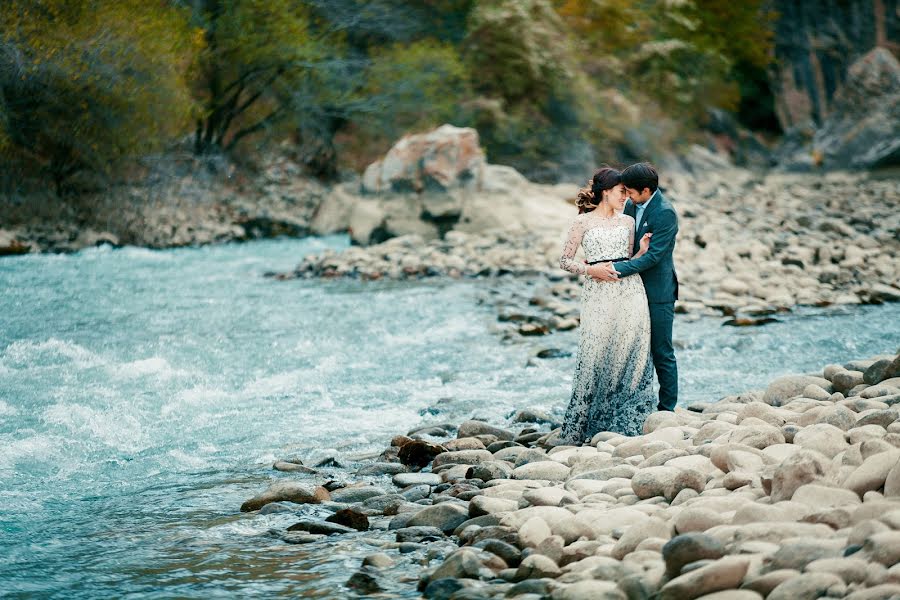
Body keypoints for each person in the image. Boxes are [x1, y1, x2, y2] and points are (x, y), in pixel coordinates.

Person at [557, 166, 656, 442]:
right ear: (605, 192)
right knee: (596, 353)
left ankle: (627, 425)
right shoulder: (583, 222)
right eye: (621, 192)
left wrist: (642, 252)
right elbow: (565, 261)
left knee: (631, 350)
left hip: (630, 290)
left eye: (626, 192)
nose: (625, 196)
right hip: (597, 294)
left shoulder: (628, 222)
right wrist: (592, 271)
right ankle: (589, 425)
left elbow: (628, 258)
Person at [591, 162, 679, 412]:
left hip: (658, 292)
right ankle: (634, 406)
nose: (626, 196)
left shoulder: (665, 213)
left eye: (630, 191)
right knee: (631, 351)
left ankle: (667, 410)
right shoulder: (632, 204)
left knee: (662, 351)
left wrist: (614, 270)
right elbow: (625, 245)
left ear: (646, 190)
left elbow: (653, 257)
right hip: (630, 291)